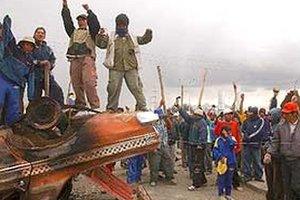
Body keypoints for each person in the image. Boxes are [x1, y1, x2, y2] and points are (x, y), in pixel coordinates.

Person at [96, 14, 152, 112]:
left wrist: (148, 33)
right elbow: (101, 44)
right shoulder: (111, 37)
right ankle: (111, 108)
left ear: (127, 26)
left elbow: (144, 40)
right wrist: (100, 36)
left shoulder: (133, 37)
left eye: (123, 25)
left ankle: (142, 107)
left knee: (136, 87)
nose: (121, 27)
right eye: (119, 25)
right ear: (116, 25)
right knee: (113, 88)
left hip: (131, 68)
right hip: (115, 68)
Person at [61, 0, 100, 109]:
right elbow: (67, 21)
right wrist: (65, 6)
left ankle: (95, 106)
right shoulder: (73, 32)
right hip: (74, 59)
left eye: (83, 19)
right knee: (76, 83)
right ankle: (81, 105)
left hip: (87, 58)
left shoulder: (92, 33)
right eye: (79, 20)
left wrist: (89, 11)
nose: (81, 21)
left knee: (89, 82)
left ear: (87, 21)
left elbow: (95, 24)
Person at [0, 15, 36, 125]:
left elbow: (31, 80)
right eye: (26, 44)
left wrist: (31, 98)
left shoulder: (31, 62)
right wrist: (7, 22)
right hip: (3, 79)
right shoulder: (12, 49)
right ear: (22, 44)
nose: (28, 46)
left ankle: (9, 128)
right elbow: (8, 35)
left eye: (31, 45)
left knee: (14, 108)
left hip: (16, 85)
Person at [264, 102, 300, 199]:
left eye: (287, 113)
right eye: (283, 113)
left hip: (297, 161)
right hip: (285, 160)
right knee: (286, 186)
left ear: (294, 113)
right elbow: (275, 142)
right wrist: (268, 153)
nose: (284, 115)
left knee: (296, 186)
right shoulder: (281, 126)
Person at [178, 105, 207, 191]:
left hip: (198, 147)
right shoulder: (193, 121)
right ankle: (202, 180)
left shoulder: (202, 123)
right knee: (194, 163)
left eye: (194, 114)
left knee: (196, 165)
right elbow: (186, 116)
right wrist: (180, 108)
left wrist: (200, 145)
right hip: (192, 145)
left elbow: (203, 135)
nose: (193, 115)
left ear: (198, 115)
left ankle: (196, 184)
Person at [32, 27, 64, 105]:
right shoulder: (30, 46)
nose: (40, 34)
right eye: (38, 32)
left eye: (42, 33)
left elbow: (53, 59)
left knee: (57, 91)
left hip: (47, 75)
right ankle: (34, 113)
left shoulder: (48, 49)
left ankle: (59, 109)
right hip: (34, 76)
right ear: (34, 34)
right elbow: (28, 59)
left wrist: (50, 64)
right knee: (35, 97)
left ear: (44, 36)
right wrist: (40, 63)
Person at [148, 102, 176, 187]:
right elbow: (149, 137)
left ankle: (169, 178)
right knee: (154, 164)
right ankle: (153, 180)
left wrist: (166, 117)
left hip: (164, 145)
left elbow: (170, 127)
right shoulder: (151, 125)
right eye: (160, 116)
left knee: (168, 162)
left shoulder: (163, 122)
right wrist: (152, 147)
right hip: (155, 146)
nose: (161, 117)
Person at [214, 108, 242, 190]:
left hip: (232, 148)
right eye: (228, 114)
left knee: (233, 166)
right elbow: (216, 133)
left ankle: (236, 184)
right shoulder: (220, 124)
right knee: (221, 165)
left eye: (231, 114)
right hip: (223, 149)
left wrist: (238, 146)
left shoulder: (235, 124)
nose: (229, 115)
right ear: (225, 115)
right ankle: (220, 183)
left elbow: (238, 135)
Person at [242, 106, 270, 182]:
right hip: (246, 144)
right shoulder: (246, 121)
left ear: (254, 113)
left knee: (257, 160)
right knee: (246, 160)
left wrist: (250, 137)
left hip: (255, 144)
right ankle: (247, 175)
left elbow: (260, 131)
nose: (249, 114)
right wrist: (245, 136)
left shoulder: (261, 121)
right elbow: (242, 129)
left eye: (250, 113)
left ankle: (258, 175)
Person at [213, 126, 236, 200]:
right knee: (221, 178)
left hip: (231, 161)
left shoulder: (232, 139)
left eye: (227, 131)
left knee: (229, 179)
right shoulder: (218, 140)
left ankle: (228, 194)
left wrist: (228, 137)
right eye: (224, 131)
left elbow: (233, 146)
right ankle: (221, 194)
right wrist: (220, 156)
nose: (225, 132)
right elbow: (215, 150)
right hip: (222, 162)